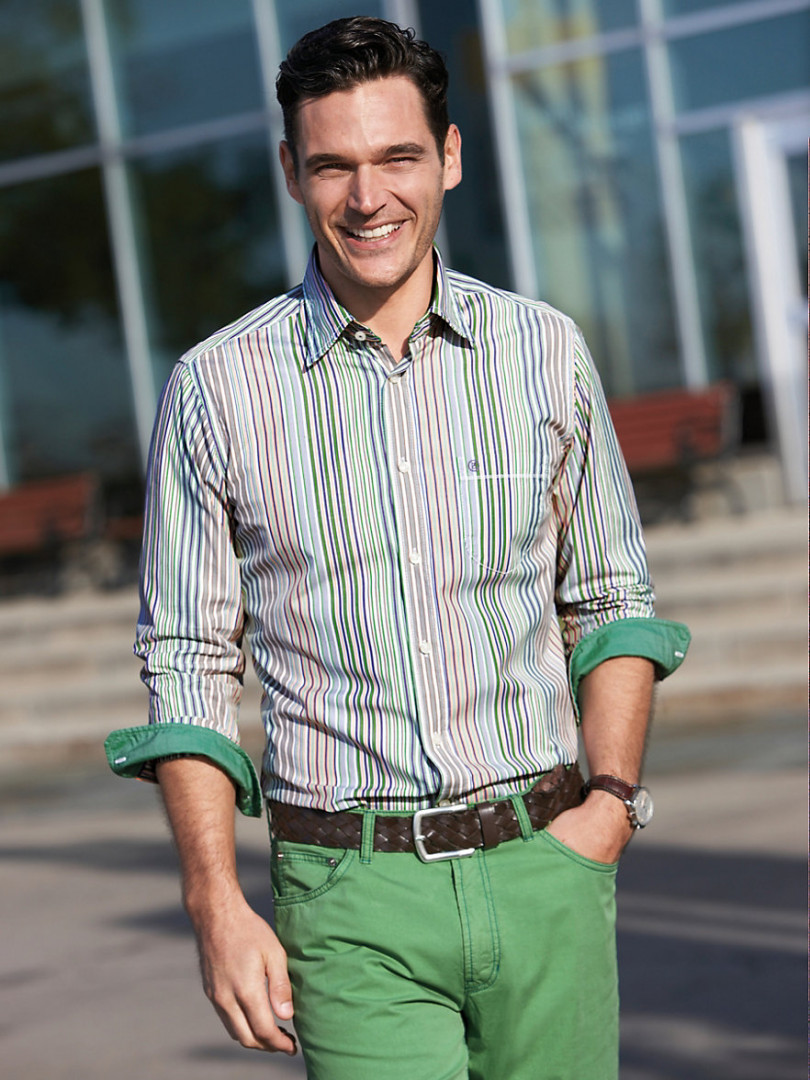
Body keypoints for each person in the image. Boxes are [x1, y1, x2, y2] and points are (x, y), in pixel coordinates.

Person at [105, 16, 690, 1080]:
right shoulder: (215, 389)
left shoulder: (545, 352)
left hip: (546, 863)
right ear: (292, 172)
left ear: (450, 157)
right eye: (333, 165)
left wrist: (610, 806)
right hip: (349, 894)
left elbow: (610, 600)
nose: (368, 197)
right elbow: (187, 660)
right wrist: (214, 899)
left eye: (397, 158)